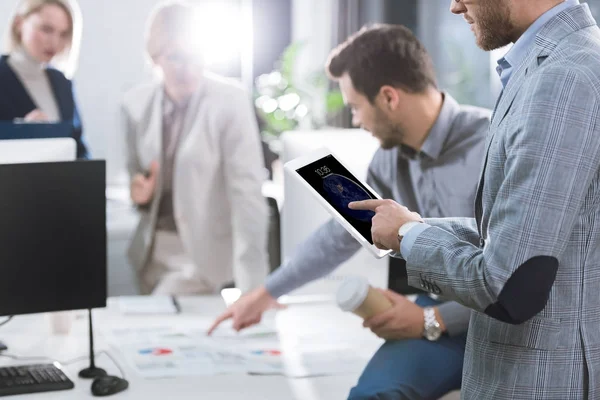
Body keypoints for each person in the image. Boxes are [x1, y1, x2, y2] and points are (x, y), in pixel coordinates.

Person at [209, 24, 491, 400]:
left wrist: (431, 320)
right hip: (438, 310)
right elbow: (339, 236)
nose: (356, 120)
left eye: (356, 106)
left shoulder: (495, 144)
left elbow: (518, 271)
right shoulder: (388, 161)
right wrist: (264, 293)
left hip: (500, 319)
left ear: (389, 98)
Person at [350, 1, 600, 398]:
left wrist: (408, 237)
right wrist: (412, 226)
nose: (455, 6)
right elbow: (523, 236)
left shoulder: (563, 78)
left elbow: (509, 283)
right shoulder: (543, 67)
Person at [122, 1, 269, 296]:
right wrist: (139, 193)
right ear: (155, 57)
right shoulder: (135, 104)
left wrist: (254, 286)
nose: (188, 68)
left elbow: (248, 192)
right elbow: (136, 176)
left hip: (201, 257)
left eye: (196, 55)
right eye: (175, 56)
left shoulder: (230, 100)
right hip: (150, 254)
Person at [0, 0, 89, 159]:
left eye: (63, 34)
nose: (54, 42)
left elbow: (80, 150)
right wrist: (19, 134)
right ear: (19, 23)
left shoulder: (62, 83)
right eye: (46, 29)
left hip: (61, 182)